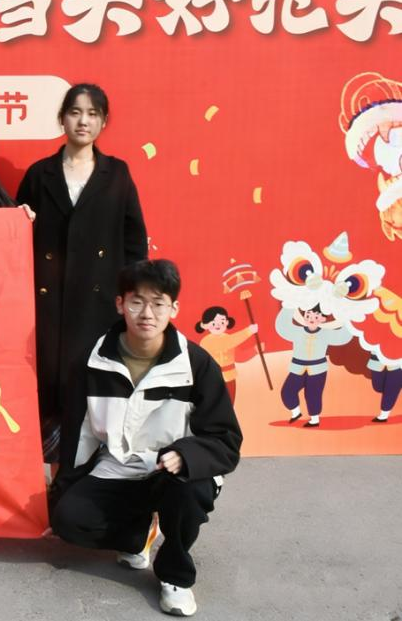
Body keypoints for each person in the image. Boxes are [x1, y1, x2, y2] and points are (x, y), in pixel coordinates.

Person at [50, 259, 242, 618]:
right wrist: (64, 489)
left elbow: (225, 439)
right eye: (137, 302)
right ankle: (138, 535)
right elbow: (80, 433)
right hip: (118, 466)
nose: (147, 313)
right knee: (68, 518)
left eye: (158, 303)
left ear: (174, 308)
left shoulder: (196, 364)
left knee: (190, 492)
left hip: (173, 472)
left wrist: (186, 455)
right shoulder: (92, 362)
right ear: (120, 304)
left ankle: (175, 576)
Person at [15, 83, 148, 462]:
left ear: (103, 121)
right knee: (47, 390)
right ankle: (51, 476)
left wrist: (130, 299)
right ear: (62, 119)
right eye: (75, 112)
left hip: (99, 304)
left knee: (92, 392)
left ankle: (89, 477)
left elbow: (134, 241)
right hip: (47, 304)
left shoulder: (116, 174)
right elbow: (14, 235)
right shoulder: (40, 174)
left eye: (92, 114)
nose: (83, 121)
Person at [194, 306, 257, 404]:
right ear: (205, 325)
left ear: (227, 322)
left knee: (230, 402)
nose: (218, 325)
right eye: (213, 323)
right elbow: (227, 342)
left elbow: (239, 356)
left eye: (222, 322)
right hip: (213, 378)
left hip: (230, 377)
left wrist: (254, 350)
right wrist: (248, 331)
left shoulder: (228, 338)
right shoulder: (206, 341)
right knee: (215, 403)